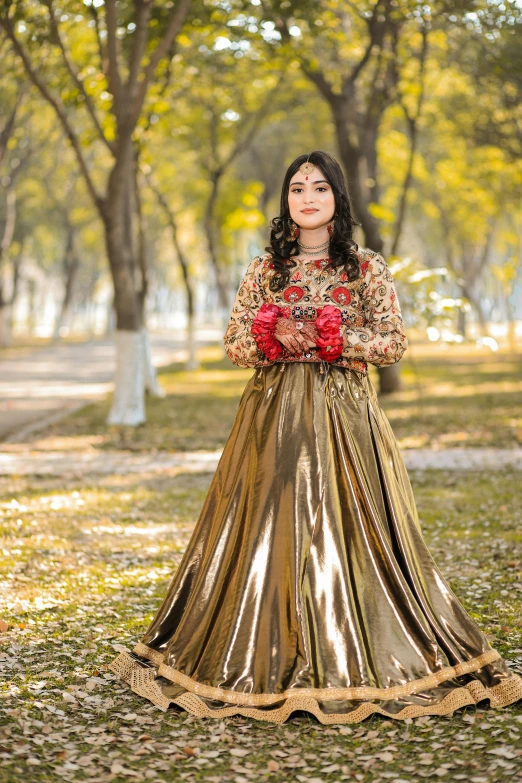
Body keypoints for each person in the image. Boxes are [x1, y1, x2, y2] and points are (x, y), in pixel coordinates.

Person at [110, 150, 522, 724]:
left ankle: (354, 647)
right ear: (286, 200)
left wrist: (334, 337)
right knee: (269, 530)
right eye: (298, 188)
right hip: (272, 419)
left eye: (320, 188)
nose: (308, 197)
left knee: (349, 529)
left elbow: (393, 344)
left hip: (344, 420)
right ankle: (264, 646)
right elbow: (234, 345)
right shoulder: (265, 269)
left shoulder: (365, 268)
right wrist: (273, 337)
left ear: (337, 199)